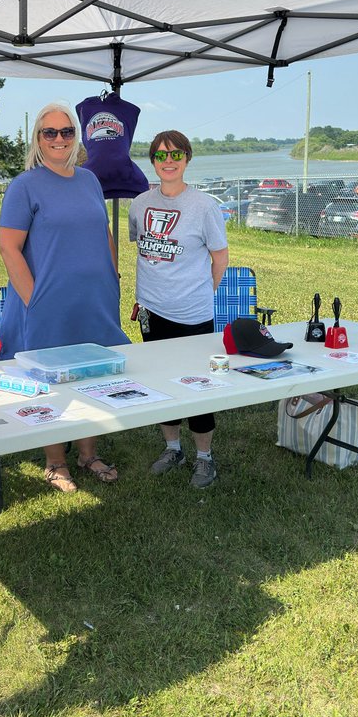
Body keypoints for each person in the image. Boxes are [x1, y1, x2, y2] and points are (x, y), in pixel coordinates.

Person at [0, 102, 129, 492]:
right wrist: (33, 298)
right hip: (46, 304)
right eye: (50, 132)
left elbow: (103, 232)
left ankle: (88, 453)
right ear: (37, 139)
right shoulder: (24, 185)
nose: (59, 139)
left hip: (94, 299)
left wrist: (113, 276)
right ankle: (55, 461)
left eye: (67, 131)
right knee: (50, 380)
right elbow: (9, 247)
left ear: (78, 138)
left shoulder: (89, 181)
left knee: (94, 373)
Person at [128, 130, 229, 488]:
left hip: (193, 314)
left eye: (175, 155)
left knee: (198, 386)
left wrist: (200, 294)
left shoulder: (204, 206)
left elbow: (220, 259)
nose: (168, 162)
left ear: (187, 159)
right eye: (160, 156)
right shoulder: (139, 203)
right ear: (152, 161)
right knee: (160, 382)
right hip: (152, 312)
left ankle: (204, 457)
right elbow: (142, 248)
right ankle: (173, 448)